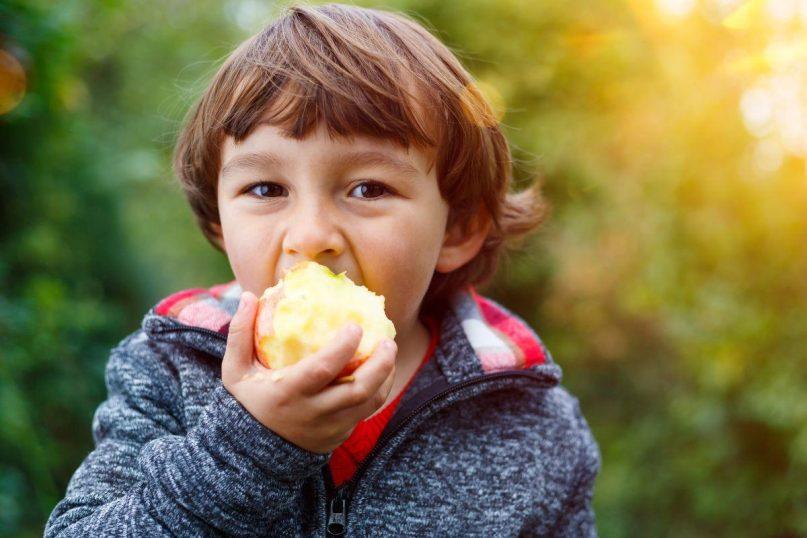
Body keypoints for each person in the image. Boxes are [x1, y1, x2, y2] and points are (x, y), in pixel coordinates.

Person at [45, 3, 600, 536]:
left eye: (368, 188)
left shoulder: (532, 424)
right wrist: (251, 446)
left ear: (456, 229)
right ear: (218, 221)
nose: (310, 237)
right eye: (265, 188)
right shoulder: (169, 369)